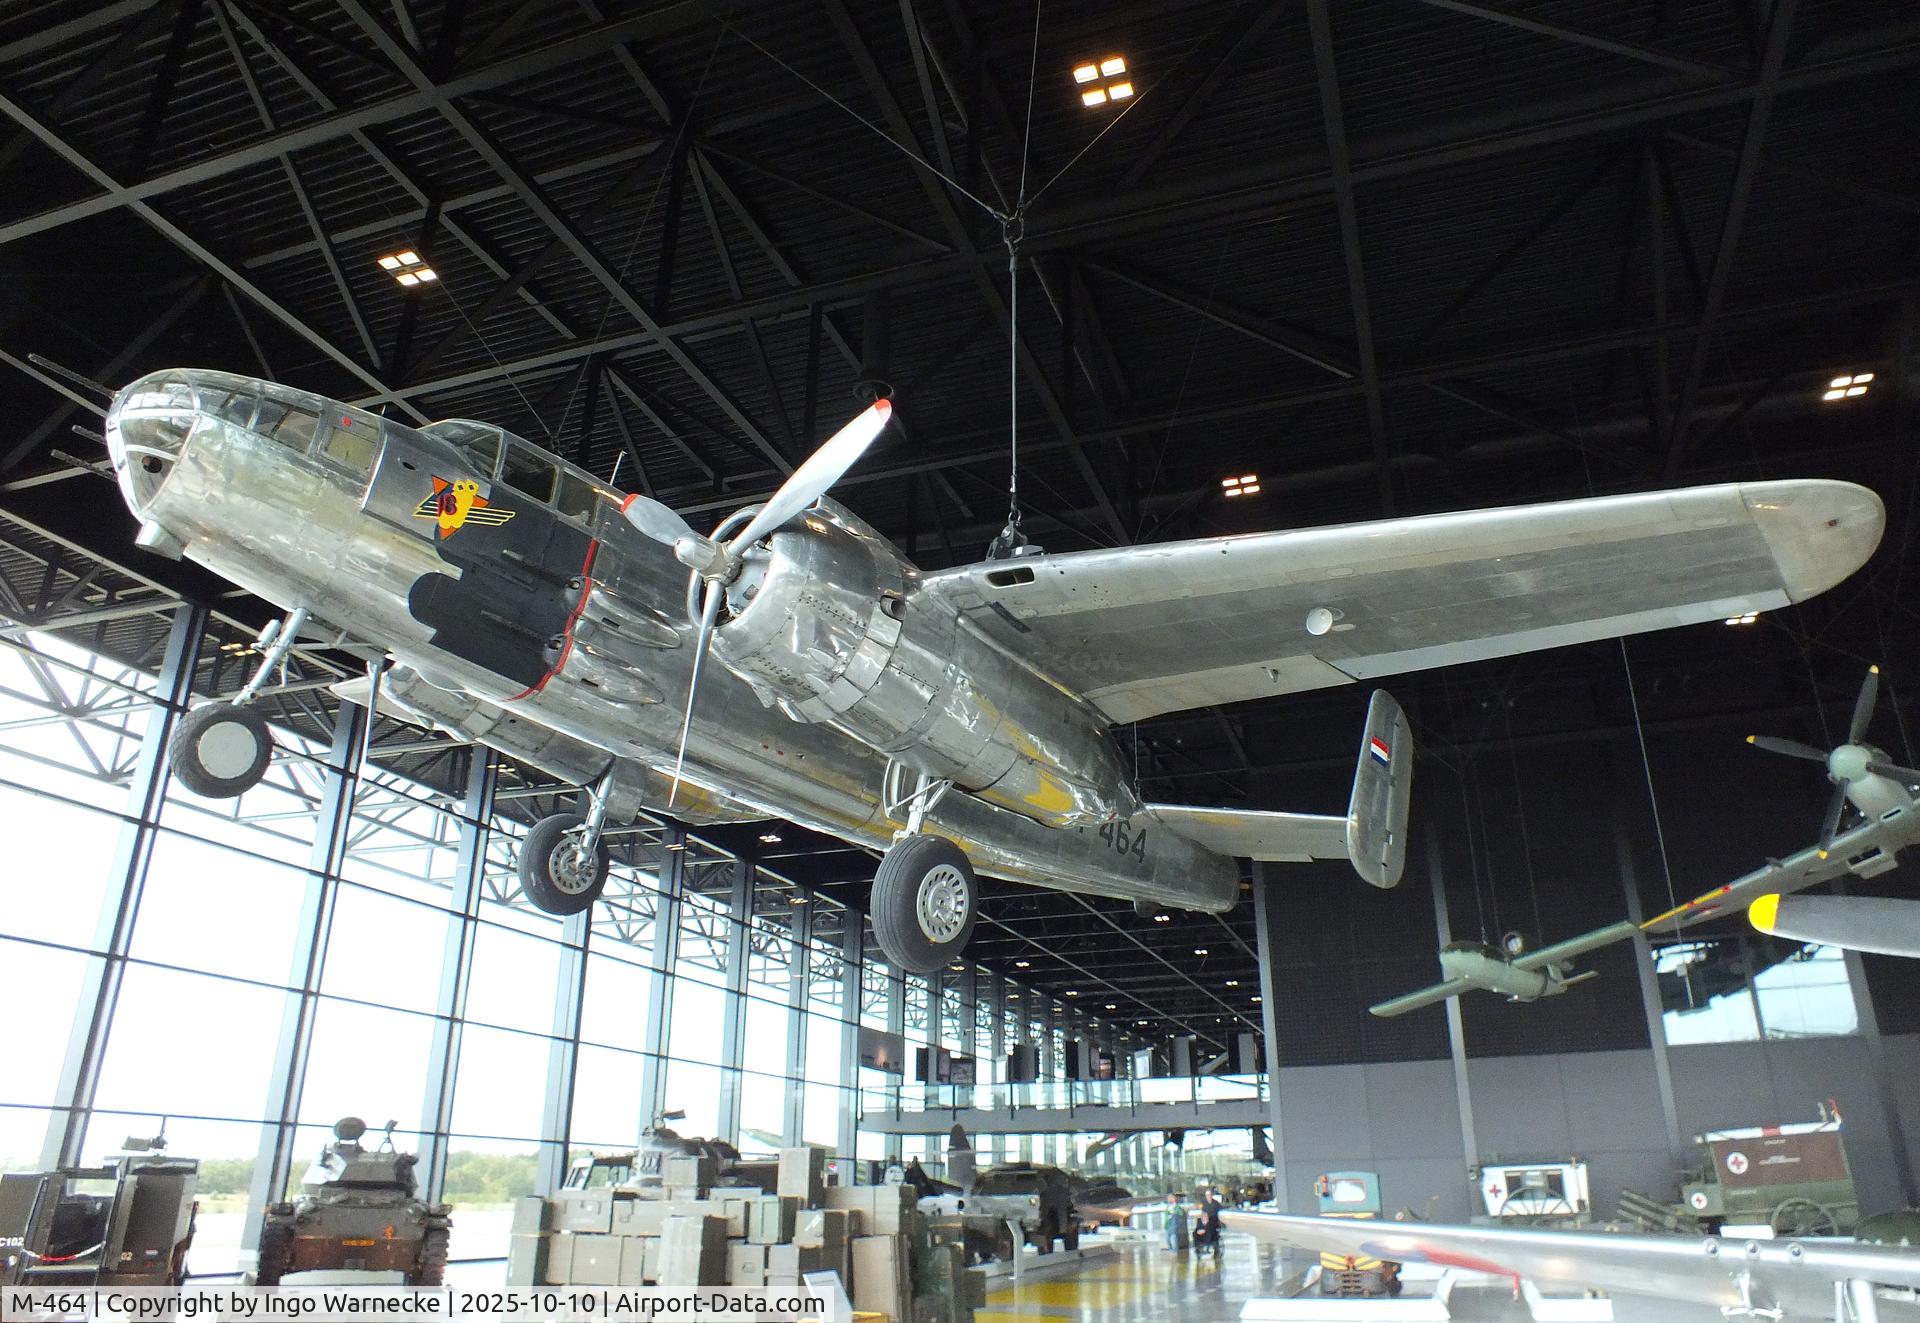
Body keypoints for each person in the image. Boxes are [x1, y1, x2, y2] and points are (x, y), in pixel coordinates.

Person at [1195, 1191, 1225, 1260]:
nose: (1208, 1196)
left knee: (1211, 1230)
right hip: (1206, 1220)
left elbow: (1221, 1211)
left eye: (1210, 1195)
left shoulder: (1216, 1203)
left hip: (1214, 1222)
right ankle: (1198, 1246)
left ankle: (1215, 1250)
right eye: (1207, 1195)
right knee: (1197, 1231)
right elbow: (1202, 1212)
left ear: (1212, 1195)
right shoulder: (1204, 1203)